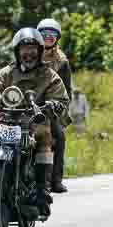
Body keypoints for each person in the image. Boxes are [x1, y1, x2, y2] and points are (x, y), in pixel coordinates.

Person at [0, 28, 69, 216]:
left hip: (35, 121)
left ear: (40, 51)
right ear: (17, 52)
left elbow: (62, 98)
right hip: (8, 118)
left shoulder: (49, 75)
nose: (28, 53)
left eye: (33, 49)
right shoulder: (7, 72)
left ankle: (42, 191)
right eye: (24, 49)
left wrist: (54, 105)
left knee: (44, 139)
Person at [37, 18, 72, 193]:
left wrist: (59, 109)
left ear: (57, 37)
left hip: (51, 108)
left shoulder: (62, 61)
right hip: (27, 104)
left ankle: (55, 179)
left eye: (52, 34)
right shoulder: (29, 52)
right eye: (44, 34)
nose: (48, 37)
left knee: (58, 136)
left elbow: (67, 90)